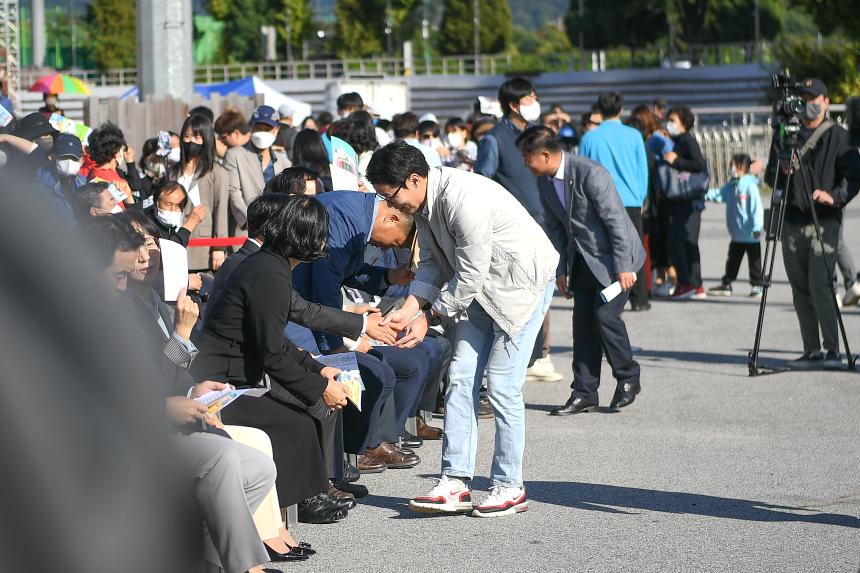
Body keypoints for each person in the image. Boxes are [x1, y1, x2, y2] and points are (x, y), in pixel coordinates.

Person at [366, 142, 558, 518]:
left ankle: (509, 485)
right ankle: (455, 480)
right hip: (478, 291)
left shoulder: (461, 199)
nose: (391, 206)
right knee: (459, 376)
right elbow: (435, 262)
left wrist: (428, 315)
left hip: (521, 287)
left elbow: (471, 271)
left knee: (502, 385)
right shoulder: (423, 204)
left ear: (414, 179)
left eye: (390, 196)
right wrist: (410, 307)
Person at [79, 213, 278, 573]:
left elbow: (153, 378)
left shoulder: (144, 302)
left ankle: (207, 559)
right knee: (223, 457)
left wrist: (192, 389)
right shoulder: (82, 314)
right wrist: (181, 343)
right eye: (119, 273)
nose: (146, 257)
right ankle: (244, 567)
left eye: (150, 245)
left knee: (259, 466)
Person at [192, 195, 354, 523]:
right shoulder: (270, 271)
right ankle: (294, 510)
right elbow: (271, 352)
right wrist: (318, 386)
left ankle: (292, 509)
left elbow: (273, 340)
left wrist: (317, 369)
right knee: (295, 423)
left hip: (234, 373)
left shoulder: (269, 264)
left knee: (300, 418)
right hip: (221, 383)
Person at [290, 190, 442, 465]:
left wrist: (387, 275)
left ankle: (357, 449)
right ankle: (348, 456)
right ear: (391, 218)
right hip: (298, 318)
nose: (386, 250)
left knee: (377, 365)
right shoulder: (344, 217)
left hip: (313, 313)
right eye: (394, 242)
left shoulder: (358, 216)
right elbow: (324, 288)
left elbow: (348, 271)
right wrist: (337, 345)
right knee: (364, 369)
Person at [517, 126, 644, 417]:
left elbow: (616, 222)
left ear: (545, 155)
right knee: (583, 325)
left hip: (616, 258)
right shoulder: (545, 181)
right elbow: (555, 228)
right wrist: (560, 270)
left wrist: (623, 267)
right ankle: (584, 392)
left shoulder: (591, 173)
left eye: (527, 157)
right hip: (584, 261)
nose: (525, 163)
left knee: (605, 316)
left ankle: (628, 377)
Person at [474, 76, 562, 383]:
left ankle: (539, 354)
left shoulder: (538, 135)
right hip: (512, 232)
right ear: (514, 104)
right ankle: (519, 359)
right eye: (529, 98)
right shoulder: (493, 139)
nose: (535, 102)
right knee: (519, 292)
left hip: (544, 223)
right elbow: (482, 184)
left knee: (543, 289)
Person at [764, 78, 854, 370]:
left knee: (820, 284)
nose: (808, 103)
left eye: (813, 98)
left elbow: (853, 176)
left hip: (824, 220)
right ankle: (811, 349)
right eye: (803, 98)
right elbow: (770, 176)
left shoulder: (839, 135)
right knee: (799, 286)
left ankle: (833, 350)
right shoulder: (787, 134)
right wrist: (783, 169)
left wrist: (835, 196)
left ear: (826, 102)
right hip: (792, 219)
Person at [579, 92, 650, 311]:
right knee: (634, 248)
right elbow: (642, 170)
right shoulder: (634, 135)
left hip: (601, 200)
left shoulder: (590, 137)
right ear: (621, 110)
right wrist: (640, 196)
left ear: (599, 110)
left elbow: (583, 170)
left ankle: (612, 293)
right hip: (630, 199)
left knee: (606, 246)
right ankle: (640, 298)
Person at [172, 114, 230, 271]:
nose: (191, 141)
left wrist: (219, 247)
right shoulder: (173, 171)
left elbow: (221, 210)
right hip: (175, 240)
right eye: (187, 136)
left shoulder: (216, 172)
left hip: (203, 246)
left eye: (197, 137)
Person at [663, 105, 708, 299]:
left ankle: (686, 283)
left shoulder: (687, 140)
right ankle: (696, 284)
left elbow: (698, 164)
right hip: (686, 199)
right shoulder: (677, 140)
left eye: (673, 120)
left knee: (677, 241)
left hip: (689, 200)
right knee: (689, 242)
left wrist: (675, 161)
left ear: (683, 123)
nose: (669, 124)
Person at [631, 104, 676, 297]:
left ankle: (672, 280)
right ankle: (659, 280)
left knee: (660, 241)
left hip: (658, 197)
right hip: (656, 196)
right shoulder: (649, 139)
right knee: (656, 242)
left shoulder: (655, 139)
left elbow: (668, 157)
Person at [706, 154, 765, 298]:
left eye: (733, 165)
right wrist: (701, 192)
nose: (731, 168)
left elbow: (757, 209)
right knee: (732, 260)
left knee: (754, 262)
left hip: (751, 235)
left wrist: (757, 228)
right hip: (737, 235)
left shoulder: (750, 186)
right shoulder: (731, 185)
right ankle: (726, 284)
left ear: (742, 167)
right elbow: (718, 194)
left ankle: (757, 284)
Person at [224, 105, 290, 233]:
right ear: (251, 127)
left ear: (276, 130)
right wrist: (249, 221)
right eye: (259, 127)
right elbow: (233, 192)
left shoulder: (283, 161)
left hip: (278, 230)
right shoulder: (235, 155)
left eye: (267, 129)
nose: (262, 132)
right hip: (247, 229)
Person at [35, 133, 87, 222]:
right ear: (52, 157)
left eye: (74, 158)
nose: (69, 162)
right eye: (64, 157)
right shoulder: (39, 185)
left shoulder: (85, 183)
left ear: (81, 161)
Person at [146, 180, 207, 247]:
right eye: (168, 204)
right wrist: (189, 225)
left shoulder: (171, 229)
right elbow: (170, 251)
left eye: (178, 206)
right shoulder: (145, 227)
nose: (173, 210)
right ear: (156, 203)